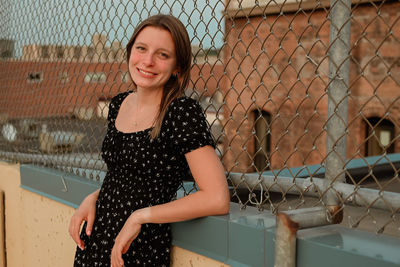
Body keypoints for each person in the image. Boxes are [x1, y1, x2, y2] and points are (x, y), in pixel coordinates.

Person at [69, 14, 230, 267]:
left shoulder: (181, 112)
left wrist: (139, 217)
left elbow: (217, 197)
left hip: (139, 249)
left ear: (177, 66)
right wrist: (94, 197)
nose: (148, 61)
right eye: (141, 49)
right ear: (130, 50)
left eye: (163, 55)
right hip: (95, 242)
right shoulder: (119, 104)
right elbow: (127, 177)